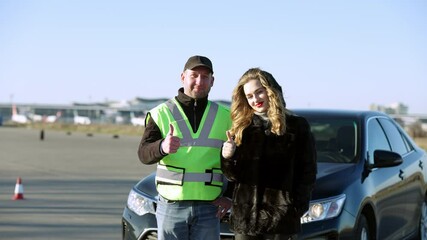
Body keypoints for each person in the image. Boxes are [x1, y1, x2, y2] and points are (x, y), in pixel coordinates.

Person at [137, 55, 233, 240]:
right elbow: (143, 154)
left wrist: (229, 196)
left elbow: (238, 162)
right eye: (194, 75)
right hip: (171, 206)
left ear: (212, 81)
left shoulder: (226, 116)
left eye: (205, 77)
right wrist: (162, 147)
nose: (199, 81)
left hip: (210, 207)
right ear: (183, 77)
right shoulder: (161, 113)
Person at [221, 68, 317, 240]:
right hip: (246, 222)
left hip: (281, 220)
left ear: (271, 91)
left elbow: (307, 171)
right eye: (249, 96)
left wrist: (296, 208)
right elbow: (233, 177)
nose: (255, 99)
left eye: (259, 92)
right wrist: (228, 157)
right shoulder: (242, 128)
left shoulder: (297, 126)